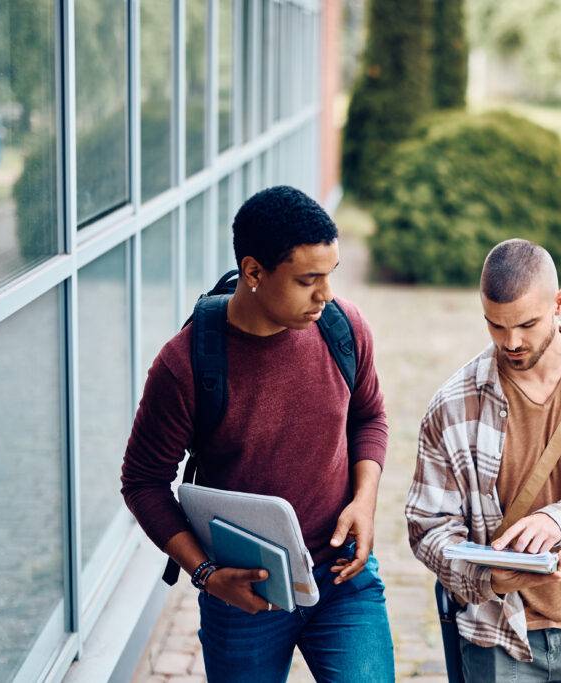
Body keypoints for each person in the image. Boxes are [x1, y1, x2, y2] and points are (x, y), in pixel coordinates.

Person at [121, 186, 395, 682]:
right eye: (307, 280)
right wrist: (206, 574)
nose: (325, 295)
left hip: (342, 578)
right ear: (253, 272)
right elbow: (142, 481)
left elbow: (369, 417)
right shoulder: (186, 365)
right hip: (245, 594)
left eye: (329, 275)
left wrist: (364, 500)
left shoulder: (343, 327)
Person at [406, 239, 561, 681]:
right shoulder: (452, 406)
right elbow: (428, 528)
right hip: (496, 638)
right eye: (496, 326)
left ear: (559, 303)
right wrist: (487, 578)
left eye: (526, 324)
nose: (512, 342)